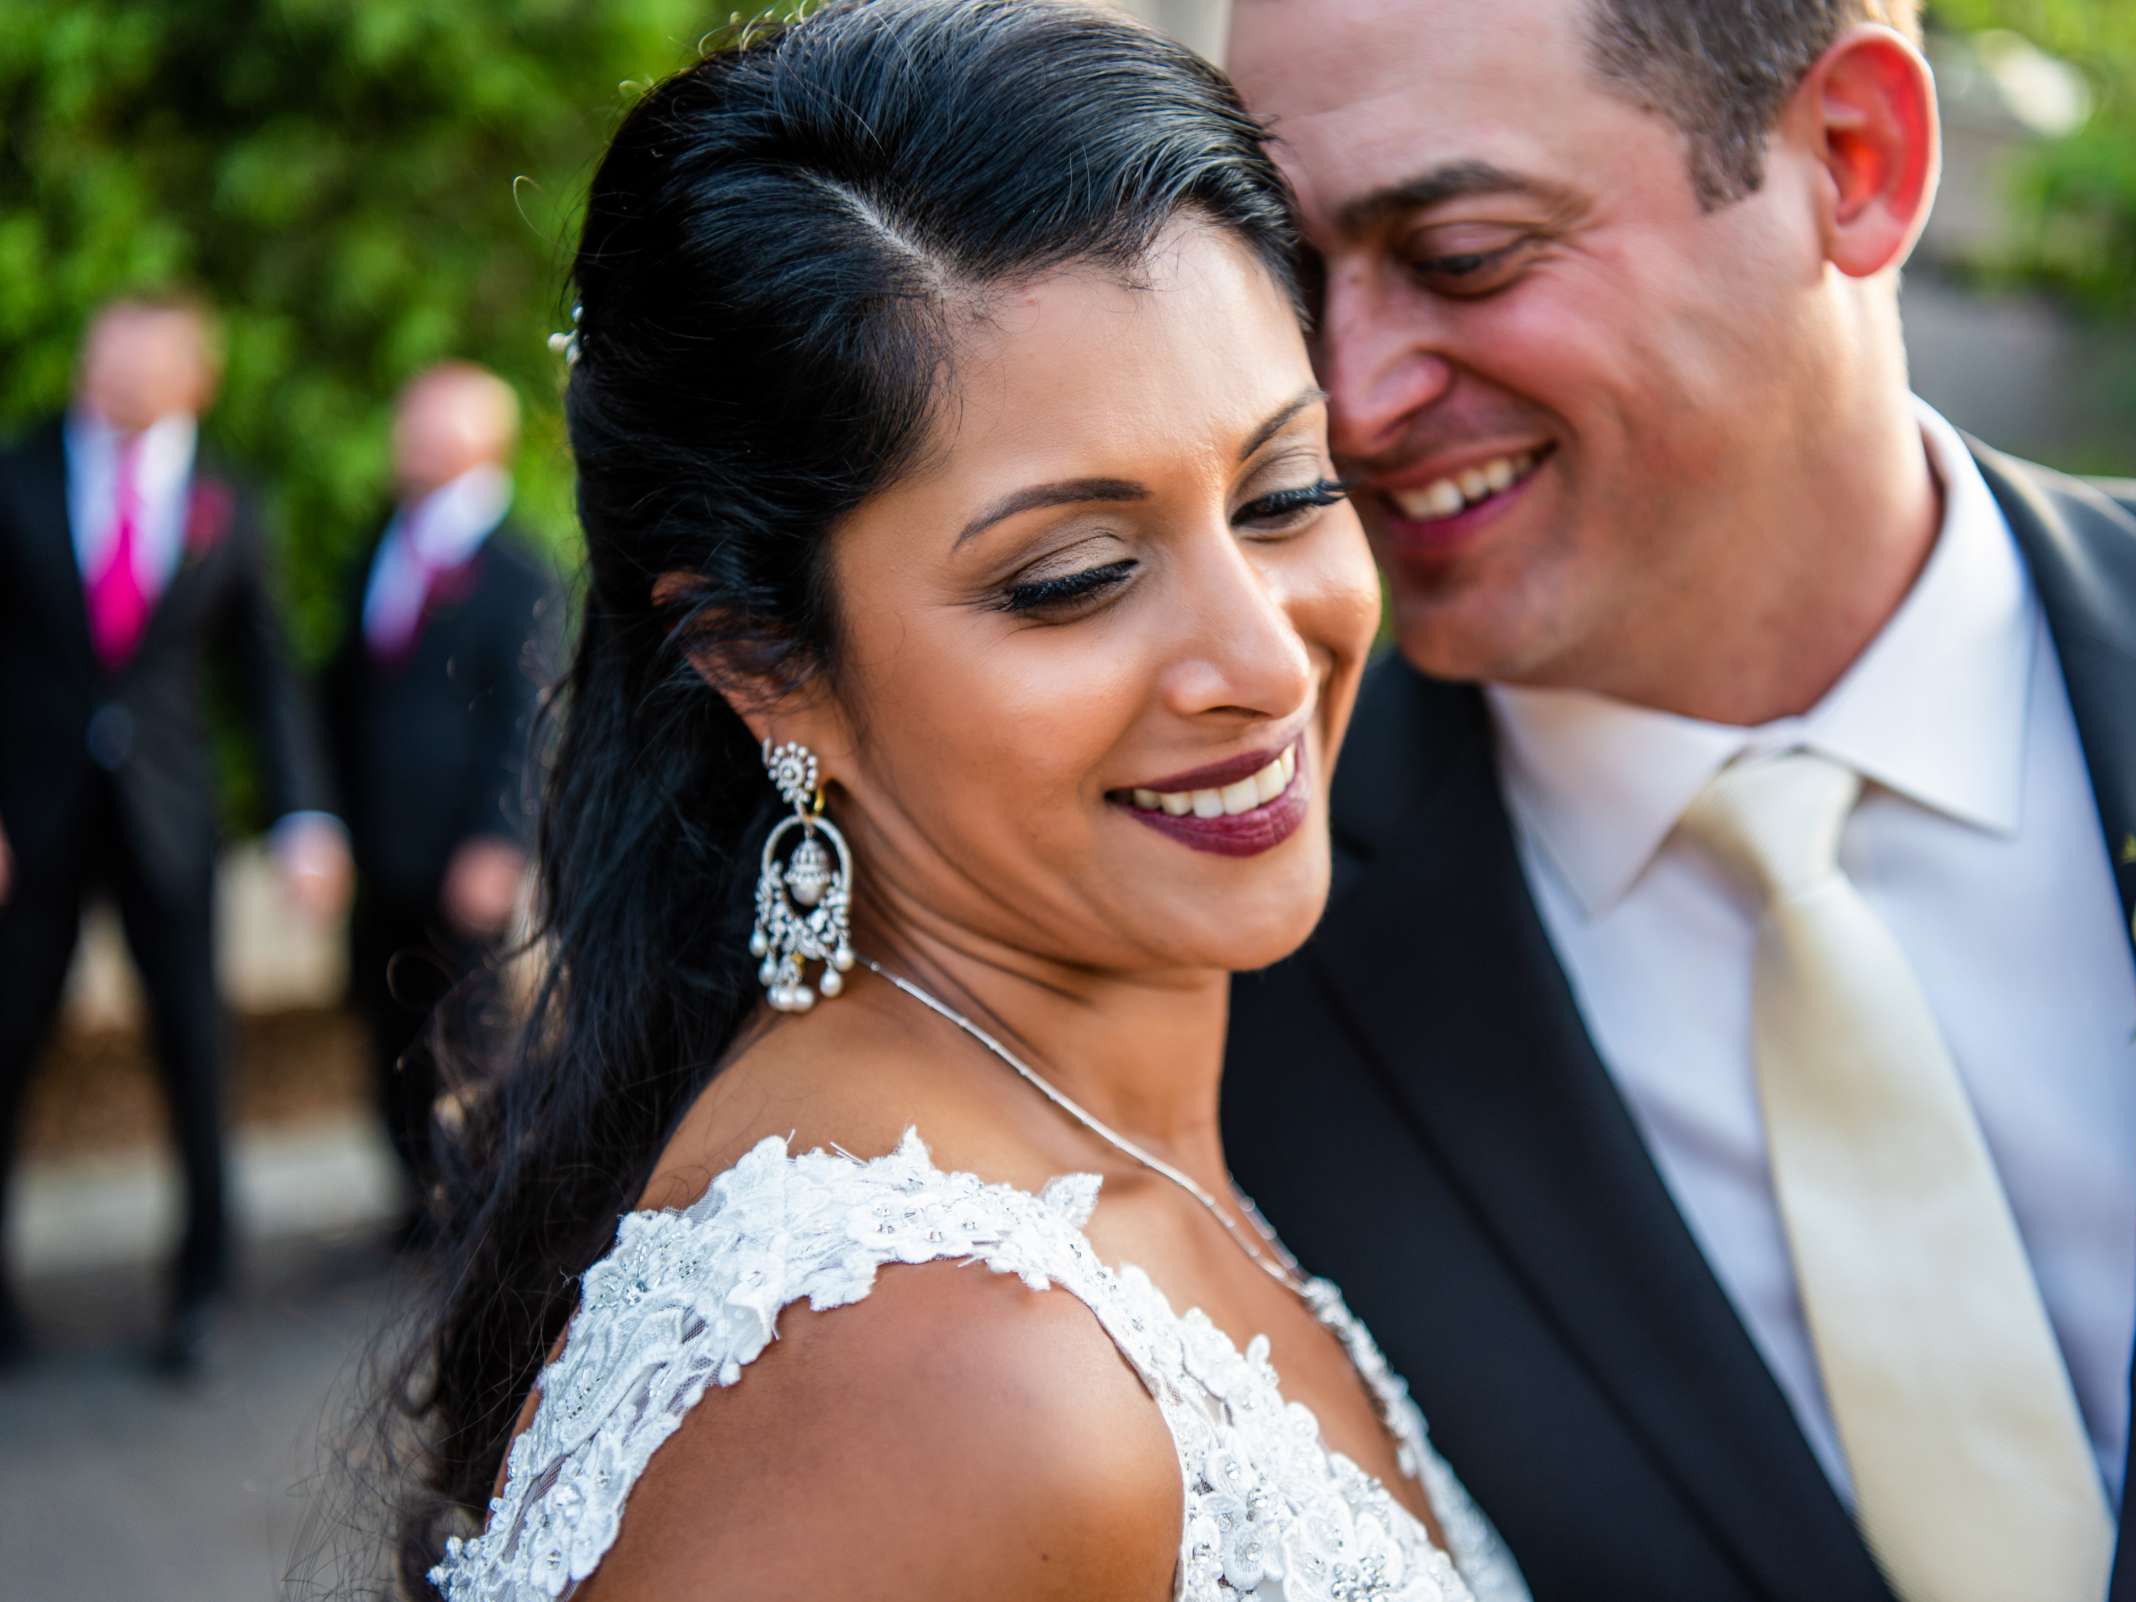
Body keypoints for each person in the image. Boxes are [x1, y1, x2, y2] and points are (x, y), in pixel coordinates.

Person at [1218, 2, 2136, 1600]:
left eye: (1467, 252)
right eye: (1290, 280)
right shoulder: (1223, 944)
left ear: (1857, 160)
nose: (1347, 402)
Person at [399, 5, 1528, 1599]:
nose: (1262, 658)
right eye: (1073, 578)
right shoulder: (938, 1375)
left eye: (1287, 493)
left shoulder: (1117, 1133)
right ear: (761, 663)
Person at [0, 294, 350, 1376]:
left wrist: (303, 816)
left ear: (191, 380)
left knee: (196, 1050)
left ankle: (201, 1288)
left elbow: (266, 675)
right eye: (103, 361)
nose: (112, 382)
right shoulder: (17, 473)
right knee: (6, 1045)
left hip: (167, 818)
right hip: (32, 818)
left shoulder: (224, 498)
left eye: (140, 367)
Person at [325, 362, 558, 1242]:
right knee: (386, 1021)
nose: (405, 445)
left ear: (479, 444)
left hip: (464, 847)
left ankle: (485, 1202)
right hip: (382, 839)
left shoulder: (517, 569)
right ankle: (415, 1192)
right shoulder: (381, 544)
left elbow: (528, 713)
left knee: (468, 1029)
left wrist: (500, 840)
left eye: (425, 429)